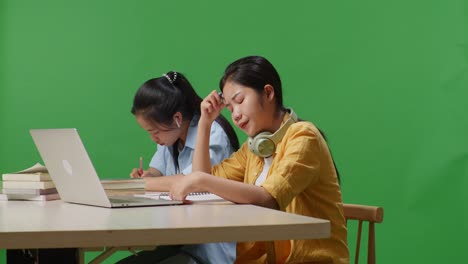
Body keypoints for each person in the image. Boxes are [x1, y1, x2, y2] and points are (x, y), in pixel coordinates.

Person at [168, 56, 349, 263]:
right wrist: (205, 124)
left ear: (268, 93)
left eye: (240, 101)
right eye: (229, 108)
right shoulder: (253, 148)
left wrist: (200, 180)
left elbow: (268, 199)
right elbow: (203, 182)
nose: (235, 115)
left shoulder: (304, 136)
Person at [120, 71, 239, 264]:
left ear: (176, 118)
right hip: (179, 241)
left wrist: (144, 183)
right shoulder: (171, 137)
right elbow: (156, 173)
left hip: (208, 249)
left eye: (155, 131)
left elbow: (196, 181)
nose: (153, 138)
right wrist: (146, 175)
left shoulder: (213, 133)